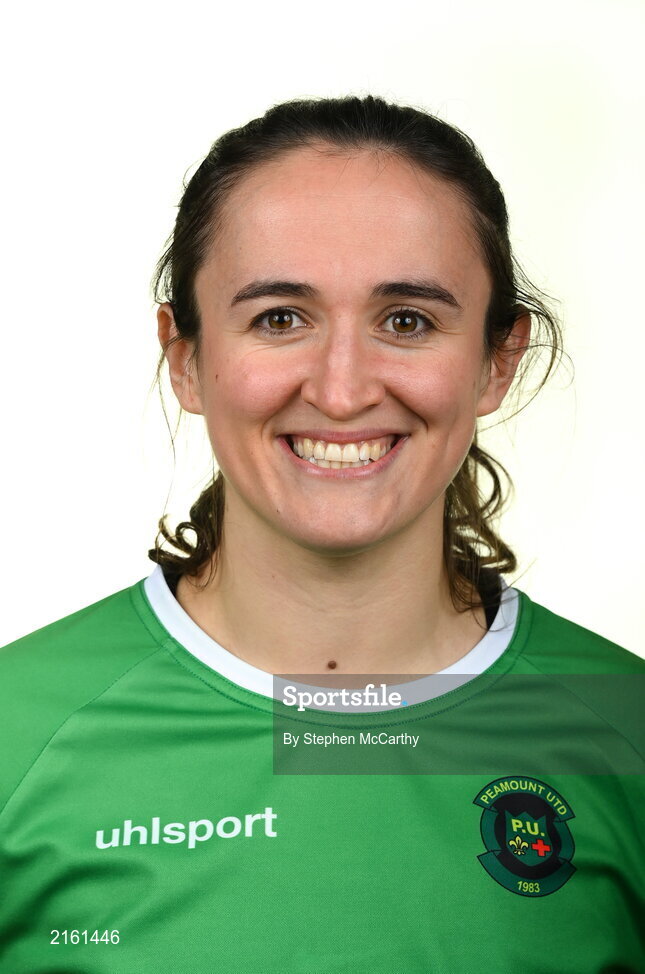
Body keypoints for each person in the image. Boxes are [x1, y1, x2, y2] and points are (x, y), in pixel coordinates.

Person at [0, 94, 643, 974]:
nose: (341, 391)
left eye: (406, 321)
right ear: (185, 357)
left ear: (497, 360)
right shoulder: (16, 729)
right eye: (279, 318)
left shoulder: (623, 726)